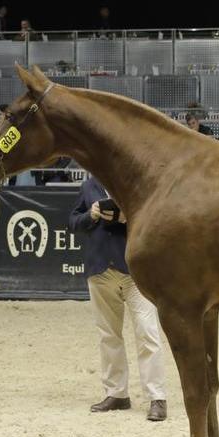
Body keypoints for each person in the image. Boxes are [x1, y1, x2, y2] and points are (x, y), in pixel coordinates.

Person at [69, 174, 167, 422]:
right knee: (109, 335)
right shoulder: (88, 186)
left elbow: (155, 220)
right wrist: (89, 215)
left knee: (148, 333)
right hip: (100, 270)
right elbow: (72, 222)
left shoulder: (133, 183)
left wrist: (127, 217)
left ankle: (157, 396)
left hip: (135, 272)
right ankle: (117, 393)